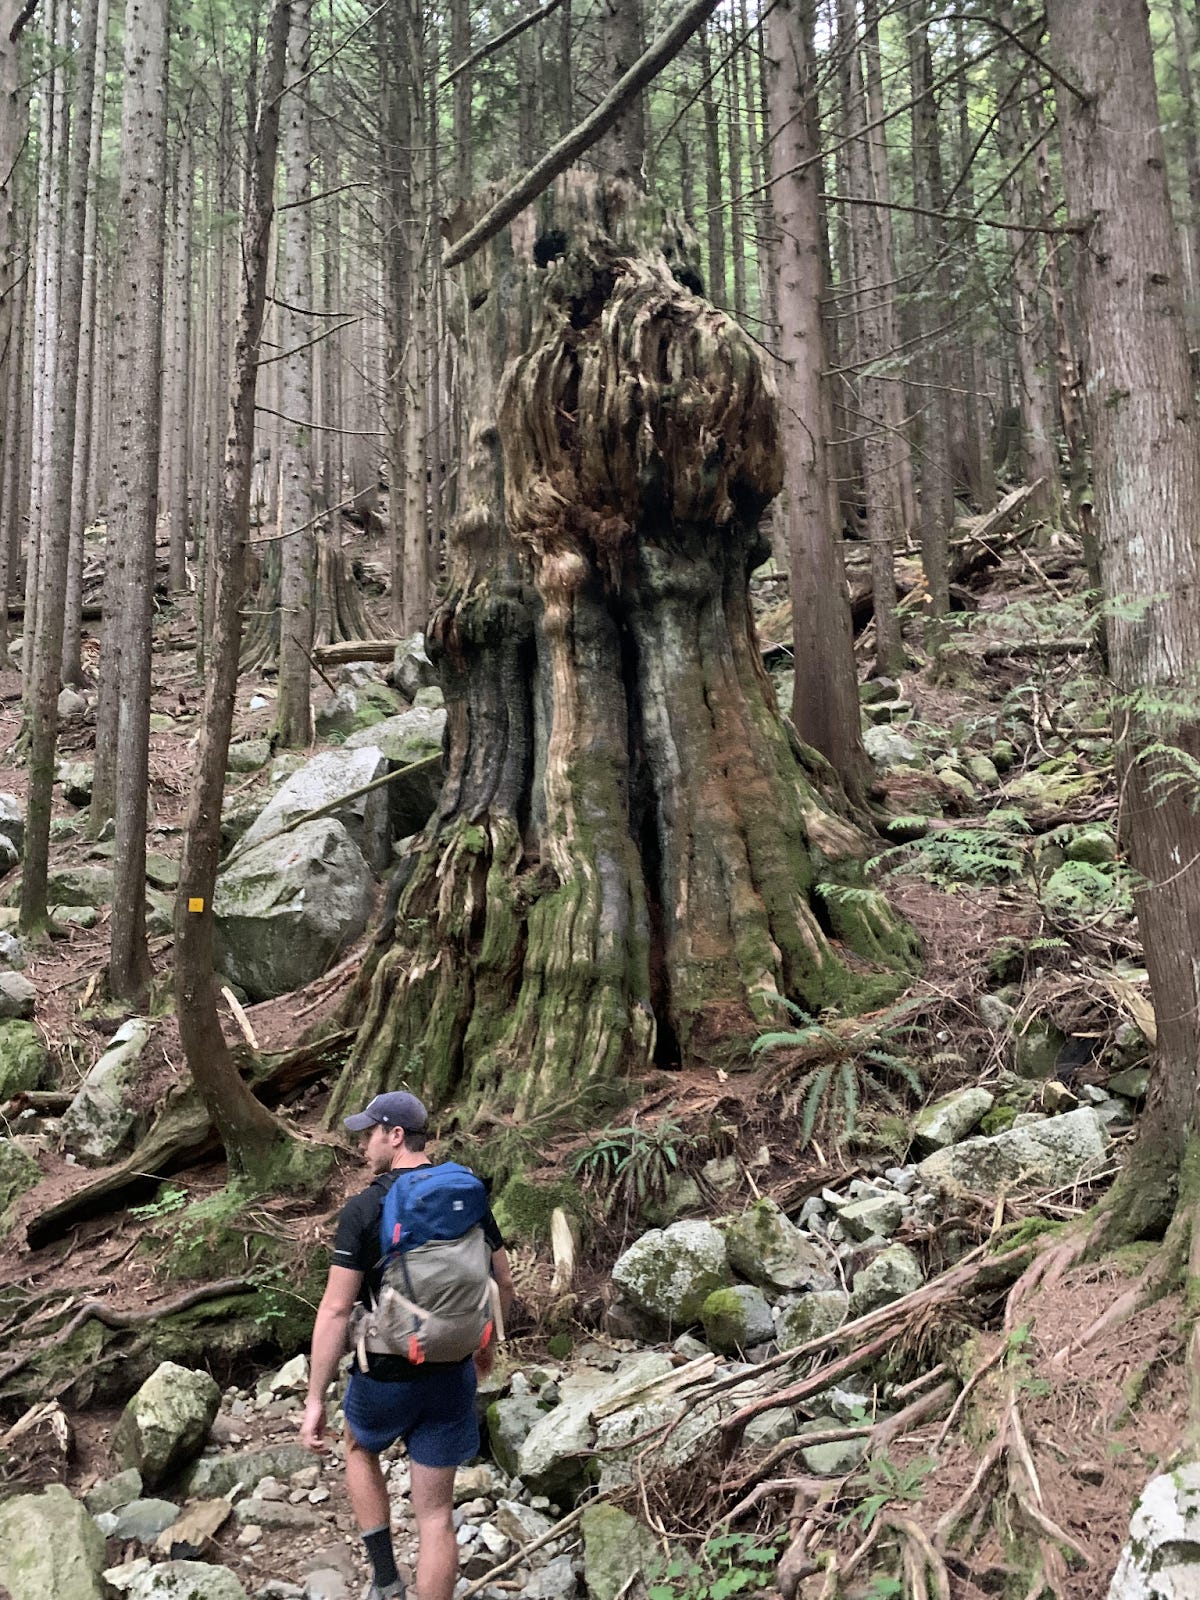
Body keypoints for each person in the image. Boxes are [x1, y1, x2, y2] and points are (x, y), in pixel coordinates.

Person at [301, 1091, 514, 1600]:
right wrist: (485, 1344)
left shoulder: (365, 1208)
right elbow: (503, 1284)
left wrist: (314, 1398)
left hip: (386, 1374)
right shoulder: (467, 1196)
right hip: (452, 1372)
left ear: (395, 1136)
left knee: (358, 1445)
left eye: (369, 1132)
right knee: (437, 1517)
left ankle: (385, 1580)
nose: (363, 1143)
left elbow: (334, 1310)